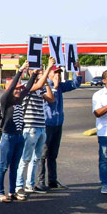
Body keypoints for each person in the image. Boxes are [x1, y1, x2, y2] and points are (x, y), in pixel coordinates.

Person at [37, 62, 83, 190]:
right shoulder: (44, 86)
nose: (58, 75)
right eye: (55, 72)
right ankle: (41, 181)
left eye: (59, 73)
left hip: (58, 124)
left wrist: (77, 70)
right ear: (49, 74)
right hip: (46, 124)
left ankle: (53, 180)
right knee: (43, 154)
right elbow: (50, 100)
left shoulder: (61, 86)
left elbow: (75, 84)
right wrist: (54, 87)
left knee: (53, 154)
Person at [0, 62, 37, 202]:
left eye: (19, 89)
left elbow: (29, 87)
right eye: (16, 89)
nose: (18, 91)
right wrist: (20, 71)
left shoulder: (19, 100)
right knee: (3, 166)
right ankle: (0, 192)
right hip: (8, 137)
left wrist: (34, 73)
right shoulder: (5, 102)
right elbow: (11, 88)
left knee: (15, 166)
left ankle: (12, 191)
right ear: (9, 90)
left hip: (19, 137)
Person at [16, 57, 56, 194]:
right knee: (25, 158)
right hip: (30, 127)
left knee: (36, 158)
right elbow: (37, 86)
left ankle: (30, 184)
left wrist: (46, 82)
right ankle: (19, 185)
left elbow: (51, 99)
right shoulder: (26, 86)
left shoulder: (40, 88)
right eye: (36, 70)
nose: (39, 71)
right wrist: (48, 69)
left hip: (41, 127)